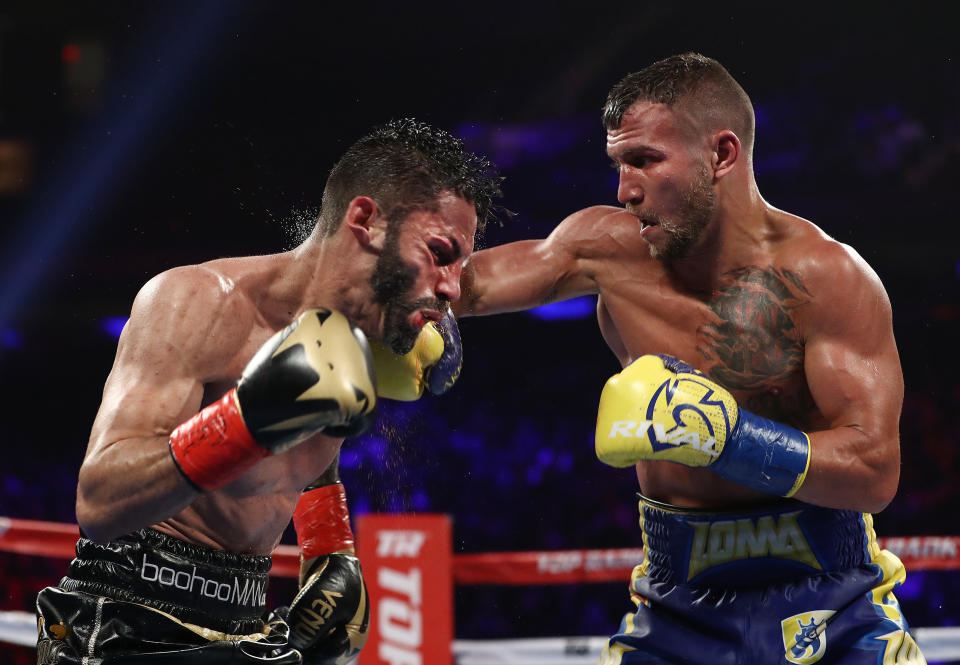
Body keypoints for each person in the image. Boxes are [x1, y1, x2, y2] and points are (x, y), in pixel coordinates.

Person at [457, 53, 924, 664]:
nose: (624, 189)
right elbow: (460, 284)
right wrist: (388, 301)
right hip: (676, 607)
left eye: (645, 160)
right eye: (619, 164)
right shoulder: (604, 248)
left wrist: (729, 439)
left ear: (721, 155)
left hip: (834, 604)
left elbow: (874, 471)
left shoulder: (827, 277)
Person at [35, 118, 501, 664]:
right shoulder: (197, 301)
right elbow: (99, 500)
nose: (450, 286)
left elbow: (303, 441)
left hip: (245, 623)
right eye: (441, 252)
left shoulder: (355, 339)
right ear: (367, 220)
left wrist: (331, 551)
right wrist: (252, 417)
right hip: (127, 621)